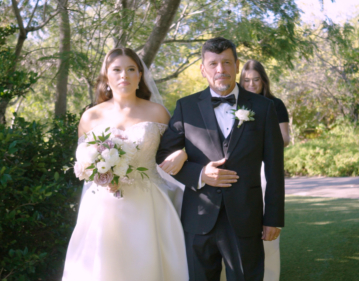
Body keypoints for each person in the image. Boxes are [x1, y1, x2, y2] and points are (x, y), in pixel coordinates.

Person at [156, 37, 285, 281]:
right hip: (198, 217)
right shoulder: (186, 106)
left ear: (237, 65)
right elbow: (163, 155)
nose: (220, 69)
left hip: (246, 217)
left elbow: (275, 167)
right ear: (202, 69)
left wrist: (274, 218)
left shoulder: (264, 107)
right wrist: (200, 174)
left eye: (226, 62)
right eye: (213, 63)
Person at [62, 48, 188, 281]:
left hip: (149, 204)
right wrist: (99, 172)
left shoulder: (158, 112)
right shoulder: (91, 116)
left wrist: (184, 153)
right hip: (102, 206)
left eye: (131, 69)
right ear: (106, 77)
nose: (124, 76)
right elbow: (84, 162)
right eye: (117, 70)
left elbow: (174, 149)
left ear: (140, 75)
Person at [240, 59, 290, 281]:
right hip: (240, 169)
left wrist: (258, 144)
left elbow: (285, 139)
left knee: (263, 219)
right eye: (246, 80)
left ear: (263, 80)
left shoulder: (275, 104)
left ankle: (267, 274)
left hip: (263, 168)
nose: (251, 84)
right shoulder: (235, 104)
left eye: (256, 79)